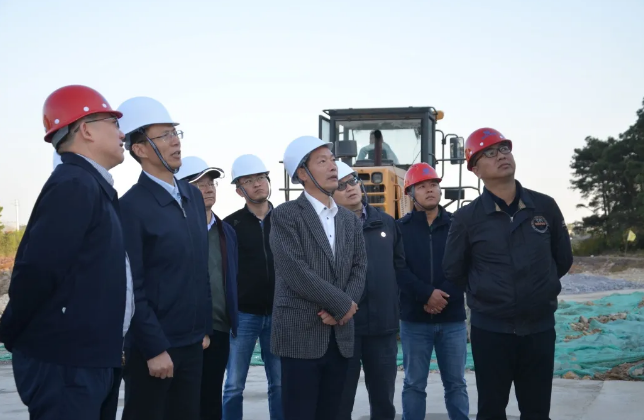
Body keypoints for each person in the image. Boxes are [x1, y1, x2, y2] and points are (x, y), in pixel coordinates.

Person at [0, 85, 132, 420]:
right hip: (67, 365)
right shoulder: (74, 184)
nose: (122, 134)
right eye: (113, 123)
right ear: (86, 129)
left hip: (88, 360)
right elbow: (38, 271)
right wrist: (11, 331)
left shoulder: (92, 186)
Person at [443, 128, 573, 420]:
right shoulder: (467, 218)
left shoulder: (545, 207)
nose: (501, 156)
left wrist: (538, 287)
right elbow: (454, 269)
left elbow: (562, 259)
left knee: (537, 410)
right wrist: (487, 291)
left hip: (539, 329)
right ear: (475, 169)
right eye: (489, 153)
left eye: (504, 149)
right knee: (491, 409)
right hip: (491, 332)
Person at [117, 97, 212, 420]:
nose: (175, 142)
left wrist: (204, 328)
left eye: (176, 133)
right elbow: (132, 287)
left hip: (193, 343)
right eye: (165, 135)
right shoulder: (131, 207)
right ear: (140, 149)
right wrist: (154, 348)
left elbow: (200, 269)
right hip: (154, 351)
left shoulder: (192, 197)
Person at [270, 136, 367, 420]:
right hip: (300, 336)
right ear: (302, 173)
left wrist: (343, 310)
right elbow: (295, 271)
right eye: (322, 161)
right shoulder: (285, 215)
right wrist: (342, 306)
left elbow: (360, 266)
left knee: (333, 412)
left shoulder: (349, 220)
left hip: (340, 336)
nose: (333, 167)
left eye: (332, 160)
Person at [333, 161, 410, 420]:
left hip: (382, 329)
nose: (350, 188)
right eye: (341, 185)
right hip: (345, 328)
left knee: (383, 401)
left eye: (353, 181)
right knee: (340, 400)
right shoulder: (329, 228)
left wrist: (394, 308)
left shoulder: (386, 223)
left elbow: (400, 268)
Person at [396, 162, 469, 420]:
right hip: (415, 320)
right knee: (414, 384)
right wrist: (426, 295)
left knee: (456, 384)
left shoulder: (457, 225)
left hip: (452, 320)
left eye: (433, 185)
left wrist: (442, 297)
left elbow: (465, 266)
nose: (429, 190)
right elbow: (399, 269)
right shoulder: (400, 229)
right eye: (422, 186)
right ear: (410, 193)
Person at [176, 156, 240, 420]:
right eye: (199, 184)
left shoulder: (227, 232)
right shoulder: (175, 230)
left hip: (220, 329)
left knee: (211, 400)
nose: (208, 188)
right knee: (183, 403)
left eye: (211, 182)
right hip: (185, 331)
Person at [222, 154, 283, 420]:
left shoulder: (285, 219)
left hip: (279, 313)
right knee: (234, 384)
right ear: (239, 190)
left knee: (279, 383)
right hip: (244, 315)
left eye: (260, 178)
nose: (257, 184)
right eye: (248, 180)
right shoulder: (230, 225)